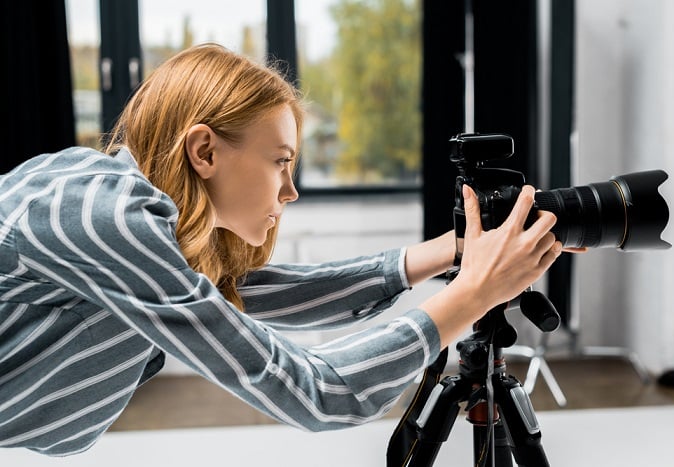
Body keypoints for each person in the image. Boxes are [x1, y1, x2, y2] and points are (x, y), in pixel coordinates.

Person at [0, 43, 565, 457]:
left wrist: (453, 250)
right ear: (205, 151)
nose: (290, 191)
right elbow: (317, 393)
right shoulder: (105, 222)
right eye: (281, 162)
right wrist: (472, 294)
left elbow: (243, 293)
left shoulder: (103, 201)